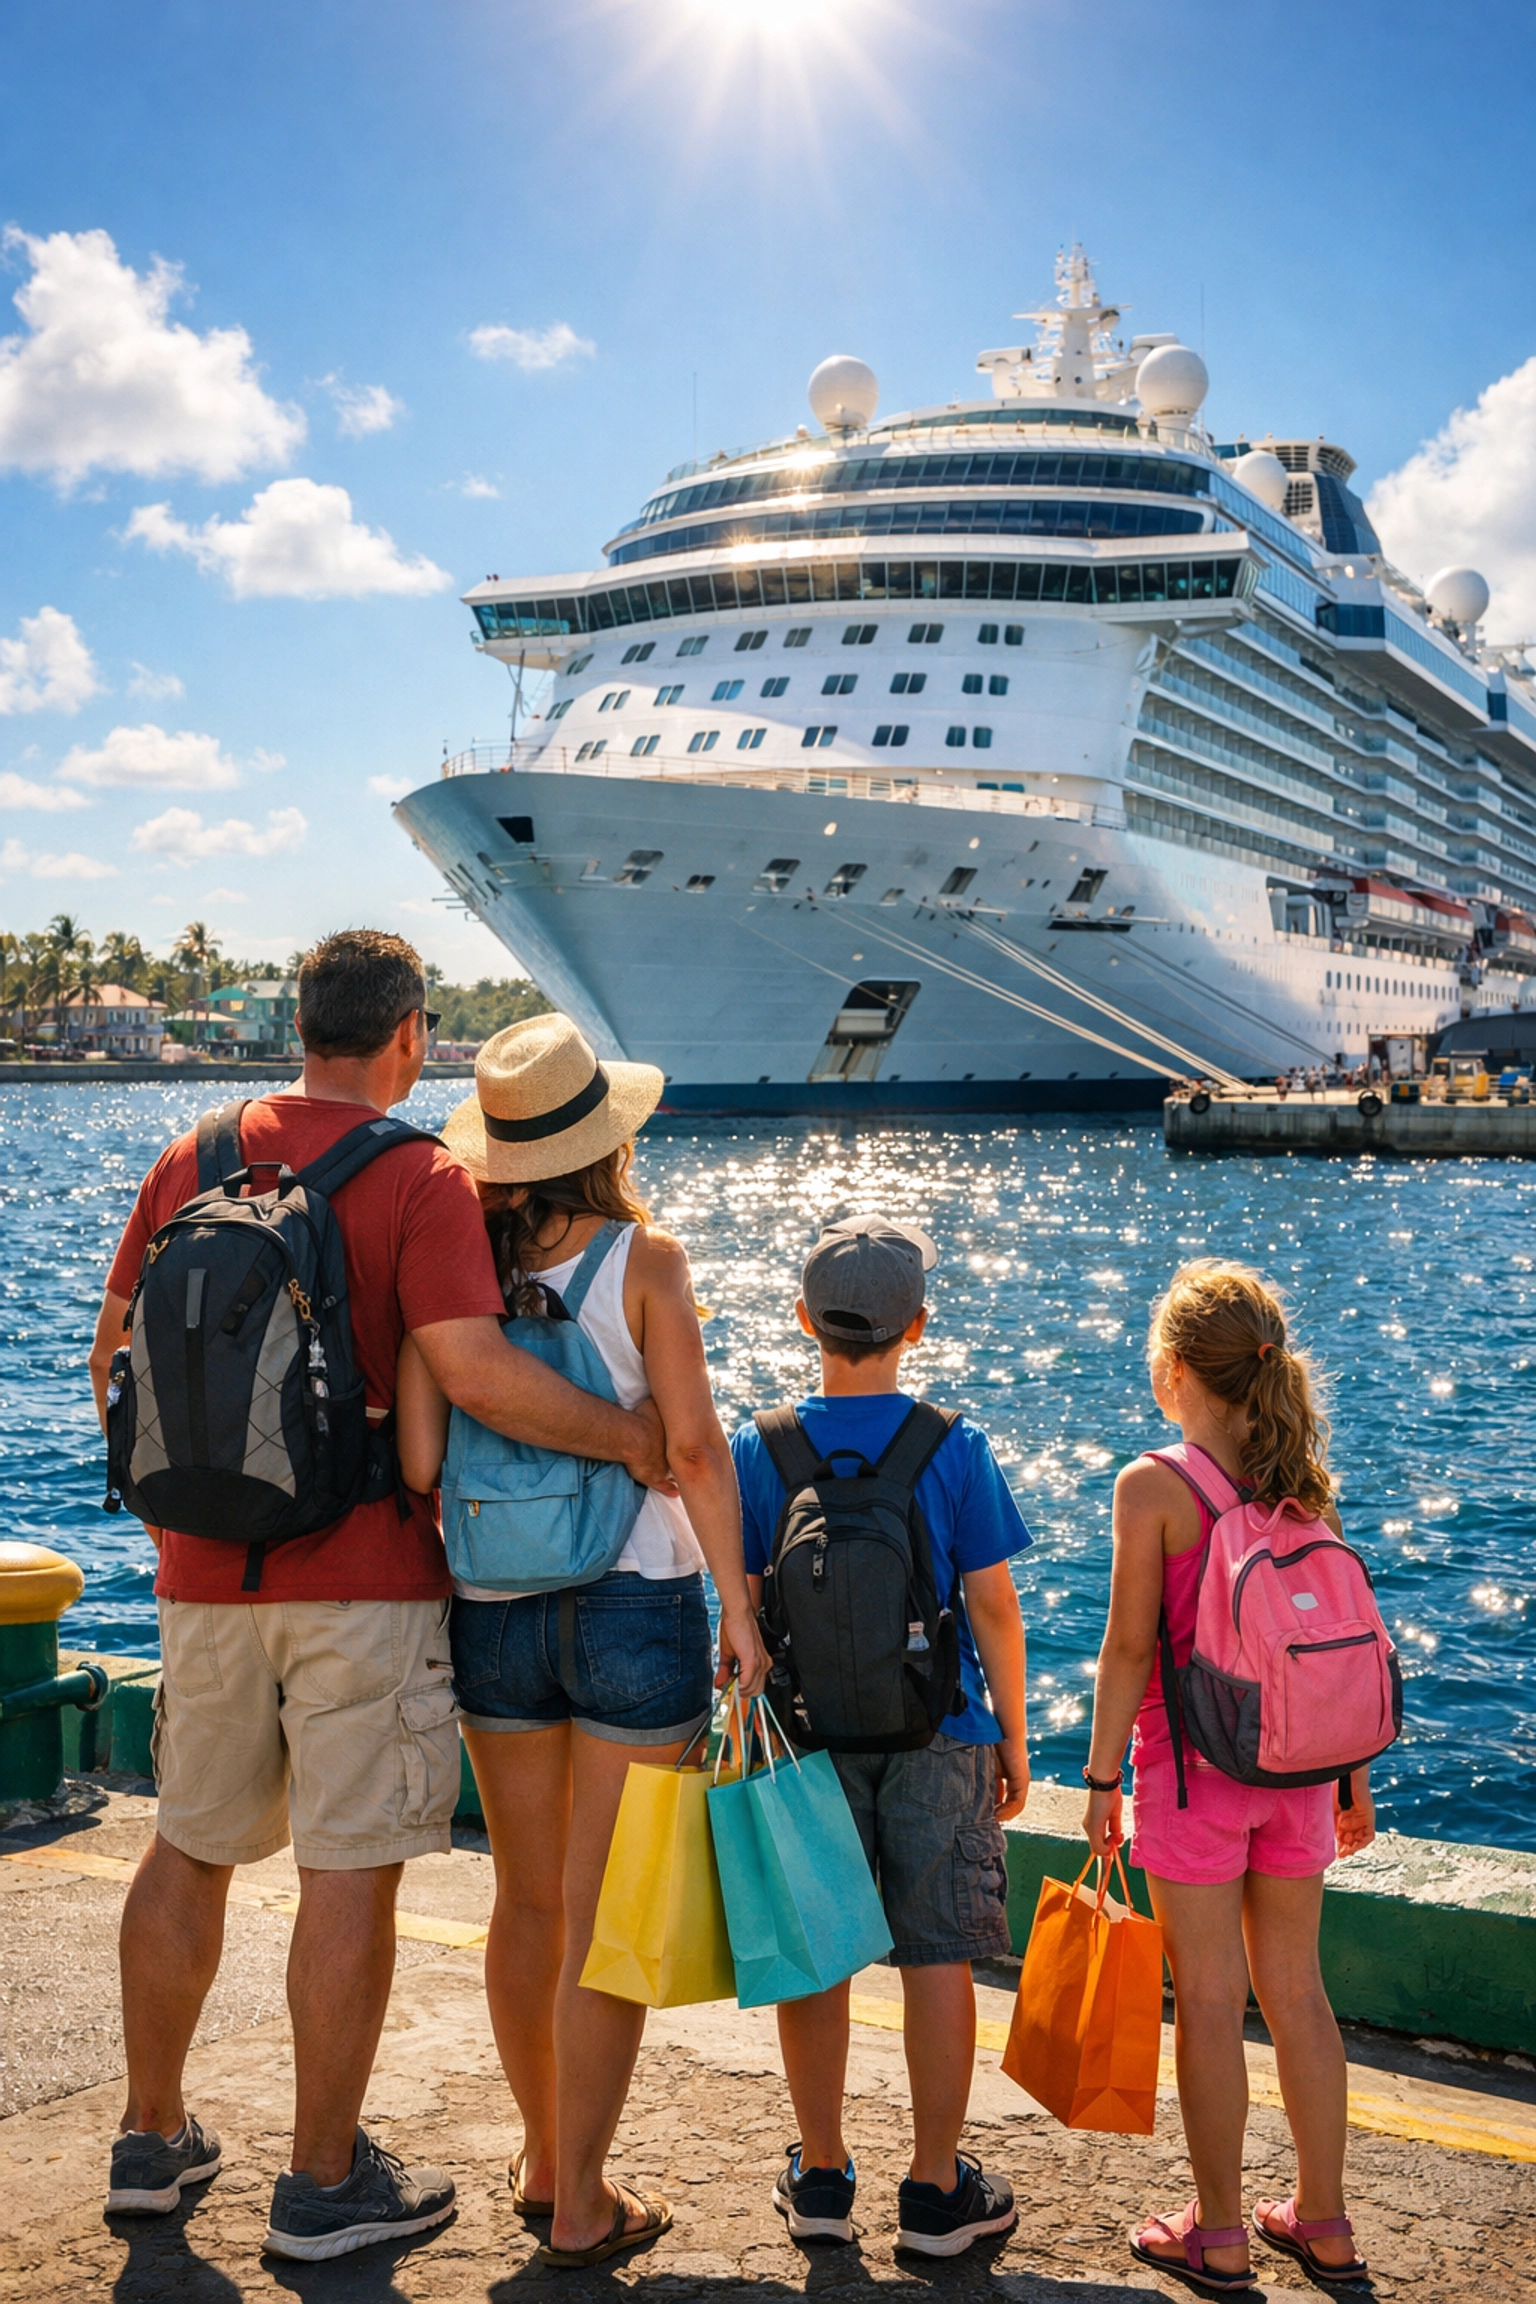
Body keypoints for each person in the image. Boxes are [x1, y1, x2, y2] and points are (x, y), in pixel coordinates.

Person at [88, 933, 674, 2263]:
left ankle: (151, 2136)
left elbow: (111, 1353)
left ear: (303, 1026)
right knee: (348, 1869)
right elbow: (472, 1374)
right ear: (411, 1037)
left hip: (198, 1573)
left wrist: (202, 1500)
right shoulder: (417, 1177)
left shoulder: (194, 1154)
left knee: (188, 1844)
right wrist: (624, 1439)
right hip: (361, 1579)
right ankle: (323, 2181)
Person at [394, 1013, 769, 2270]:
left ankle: (547, 2155)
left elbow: (421, 1456)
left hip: (494, 1605)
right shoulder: (645, 1261)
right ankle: (581, 2204)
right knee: (608, 1914)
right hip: (632, 1602)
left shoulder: (452, 1263)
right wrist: (743, 1606)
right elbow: (699, 1449)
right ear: (604, 1134)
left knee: (528, 1899)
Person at [730, 1216, 1031, 2259]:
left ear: (805, 1320)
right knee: (937, 1955)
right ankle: (938, 2190)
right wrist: (1015, 1739)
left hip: (805, 1735)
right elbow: (991, 1605)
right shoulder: (954, 1446)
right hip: (937, 1731)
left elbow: (744, 1597)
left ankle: (820, 2176)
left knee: (818, 1954)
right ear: (919, 1327)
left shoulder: (761, 1447)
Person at [1082, 1260, 1375, 2297]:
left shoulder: (1153, 1486)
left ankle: (1216, 2234)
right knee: (1299, 1995)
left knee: (1208, 2004)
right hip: (1302, 1775)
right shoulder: (1300, 1467)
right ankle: (1325, 2222)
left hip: (1192, 1783)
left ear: (1171, 1375)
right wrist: (1351, 1781)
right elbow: (1333, 1637)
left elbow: (1125, 1651)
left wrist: (1101, 1777)